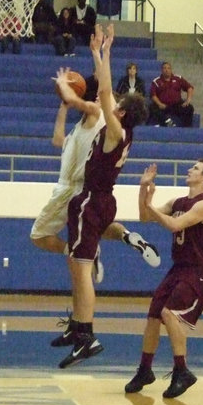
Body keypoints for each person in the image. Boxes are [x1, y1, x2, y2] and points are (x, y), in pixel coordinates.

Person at [53, 24, 149, 369]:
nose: (113, 102)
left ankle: (86, 337)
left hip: (92, 200)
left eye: (118, 104)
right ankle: (78, 327)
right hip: (102, 200)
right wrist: (96, 54)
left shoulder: (116, 129)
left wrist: (105, 52)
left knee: (81, 270)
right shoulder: (127, 134)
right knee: (76, 264)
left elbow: (106, 89)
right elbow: (106, 91)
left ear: (121, 111)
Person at [30, 78, 159, 278]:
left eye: (103, 97)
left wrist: (65, 87)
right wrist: (64, 107)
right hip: (88, 190)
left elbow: (83, 98)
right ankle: (127, 236)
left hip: (71, 188)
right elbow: (58, 140)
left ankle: (80, 252)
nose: (97, 96)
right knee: (100, 228)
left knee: (39, 236)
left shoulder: (98, 113)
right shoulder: (89, 128)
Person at [123, 159, 203, 398]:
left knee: (169, 313)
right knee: (154, 314)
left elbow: (175, 225)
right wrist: (144, 189)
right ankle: (145, 369)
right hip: (178, 268)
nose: (190, 170)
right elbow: (145, 217)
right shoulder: (179, 201)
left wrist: (151, 204)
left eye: (196, 168)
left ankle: (182, 371)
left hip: (197, 271)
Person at [149, 62, 195, 127]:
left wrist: (188, 100)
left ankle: (187, 128)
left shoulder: (178, 78)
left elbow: (189, 88)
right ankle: (167, 122)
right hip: (163, 106)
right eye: (164, 68)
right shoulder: (156, 81)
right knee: (152, 107)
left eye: (168, 68)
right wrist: (159, 104)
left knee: (189, 108)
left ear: (171, 70)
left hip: (177, 105)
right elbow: (153, 95)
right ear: (161, 70)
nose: (166, 70)